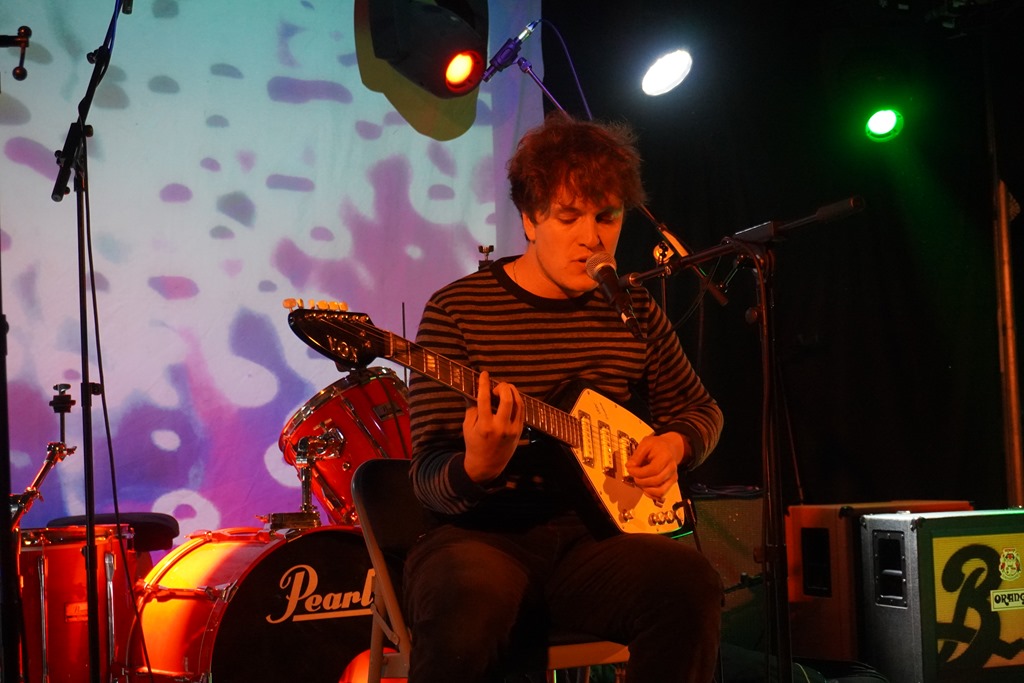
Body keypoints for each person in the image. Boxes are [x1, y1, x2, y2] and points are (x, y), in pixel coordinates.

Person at [404, 112, 725, 683]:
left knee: (690, 582)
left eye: (607, 217)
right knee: (470, 604)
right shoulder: (457, 310)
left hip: (594, 542)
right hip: (481, 538)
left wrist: (675, 445)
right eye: (568, 217)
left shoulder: (633, 309)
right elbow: (426, 477)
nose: (592, 238)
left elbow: (700, 411)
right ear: (530, 220)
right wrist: (477, 468)